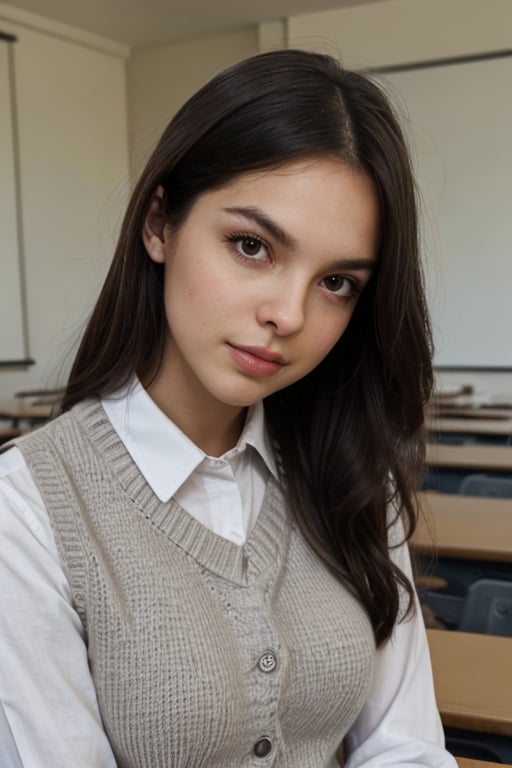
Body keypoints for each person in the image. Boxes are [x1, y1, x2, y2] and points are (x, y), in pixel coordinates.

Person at [0, 49, 457, 768]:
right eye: (252, 246)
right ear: (160, 225)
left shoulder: (353, 475)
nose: (288, 314)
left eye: (336, 282)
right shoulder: (29, 507)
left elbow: (405, 748)